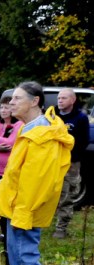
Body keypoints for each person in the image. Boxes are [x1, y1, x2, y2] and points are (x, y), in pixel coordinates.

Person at [0, 81, 73, 265]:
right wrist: (4, 182)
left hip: (27, 205)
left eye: (16, 98)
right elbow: (22, 168)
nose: (10, 103)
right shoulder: (30, 128)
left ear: (35, 101)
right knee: (15, 249)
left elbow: (38, 179)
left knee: (25, 250)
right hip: (19, 202)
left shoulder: (43, 134)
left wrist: (24, 210)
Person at [52, 88, 90, 239]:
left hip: (70, 162)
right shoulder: (51, 116)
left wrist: (70, 155)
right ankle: (41, 222)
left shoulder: (80, 118)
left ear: (72, 100)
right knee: (48, 193)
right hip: (51, 161)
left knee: (67, 194)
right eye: (59, 98)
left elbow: (84, 141)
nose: (60, 100)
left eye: (64, 98)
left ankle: (61, 227)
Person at [0, 96, 23, 243]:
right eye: (1, 107)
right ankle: (3, 232)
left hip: (7, 170)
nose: (4, 110)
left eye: (7, 107)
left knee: (8, 202)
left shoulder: (19, 125)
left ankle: (11, 232)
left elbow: (11, 142)